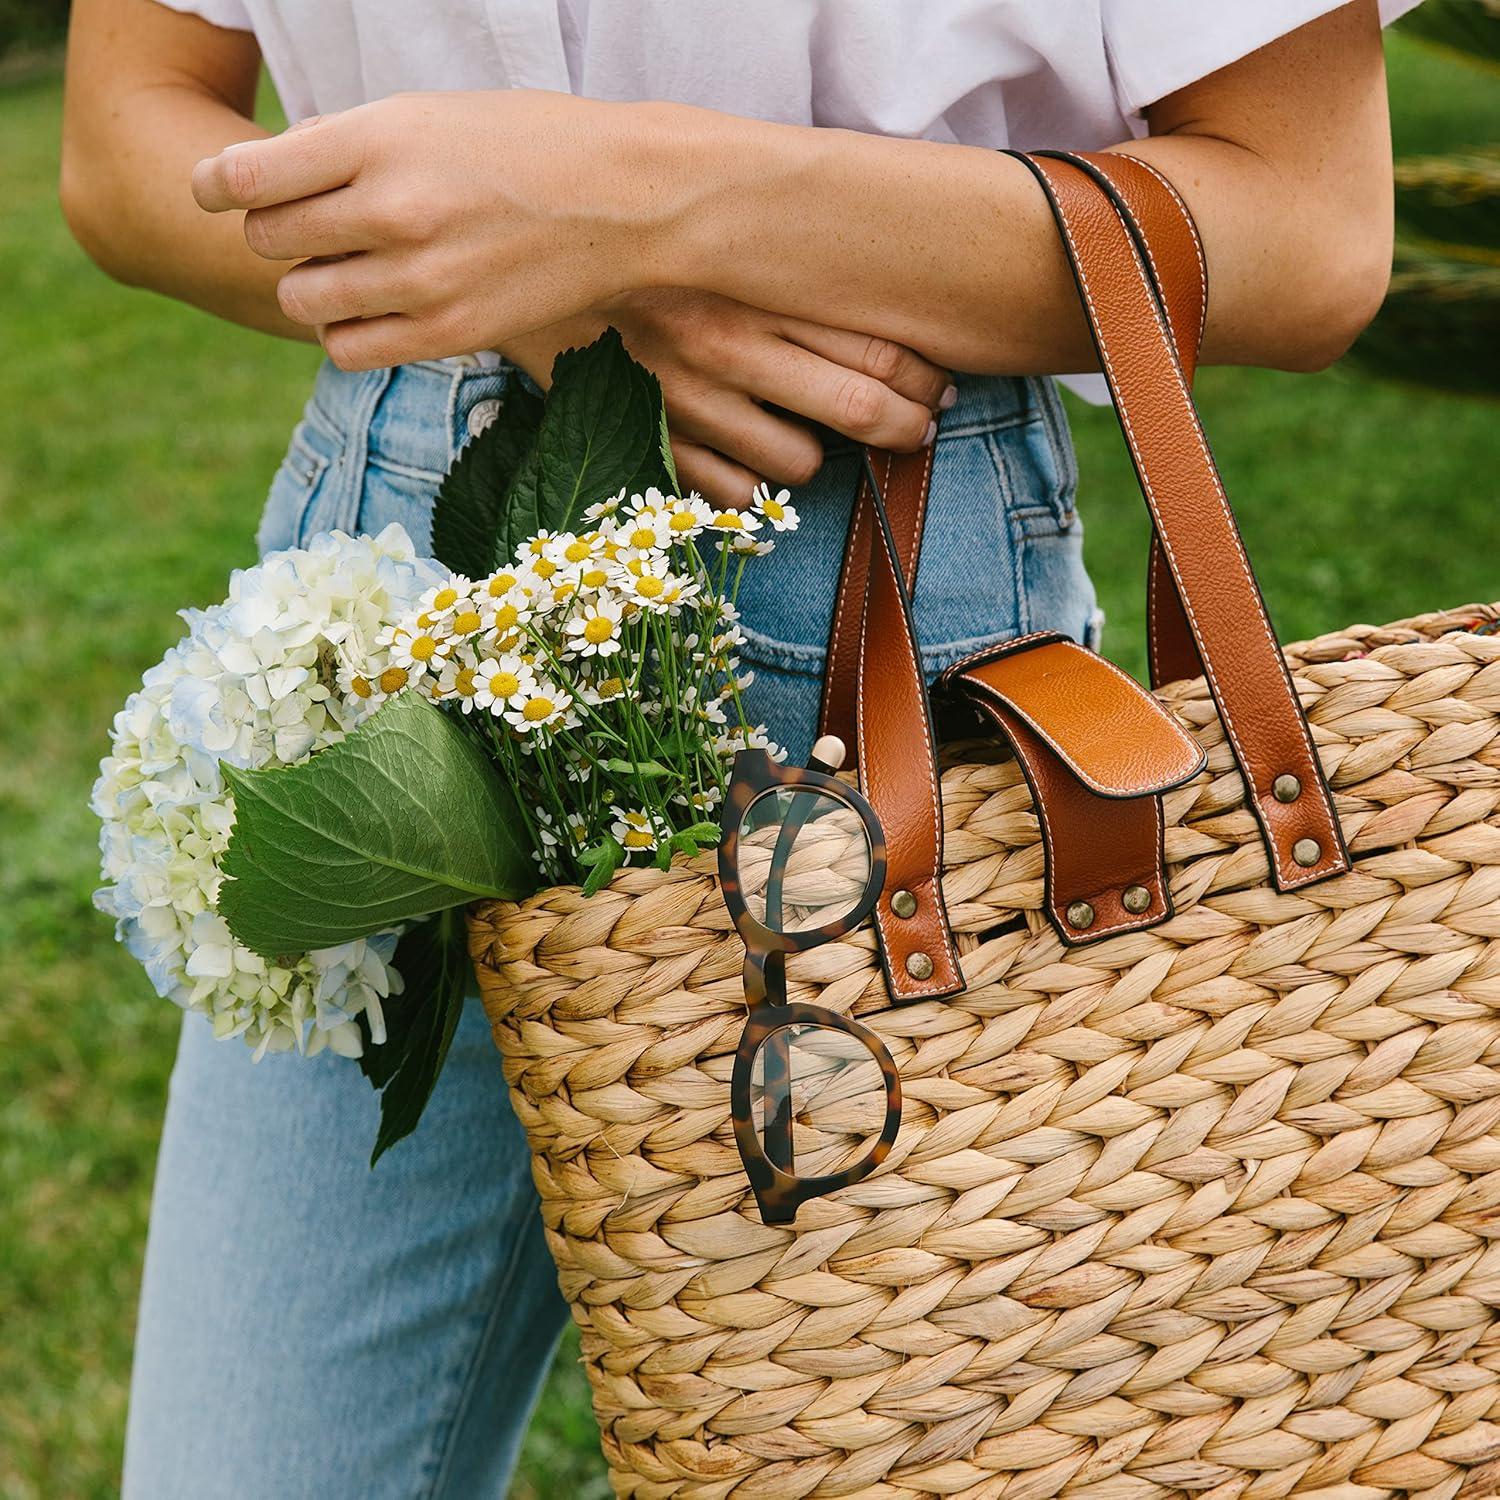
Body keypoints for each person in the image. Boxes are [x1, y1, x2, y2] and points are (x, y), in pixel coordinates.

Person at [61, 2, 1412, 1494]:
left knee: (941, 1443)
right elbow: (127, 143)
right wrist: (540, 292)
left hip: (860, 603)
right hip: (383, 618)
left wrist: (643, 202)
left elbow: (1308, 235)